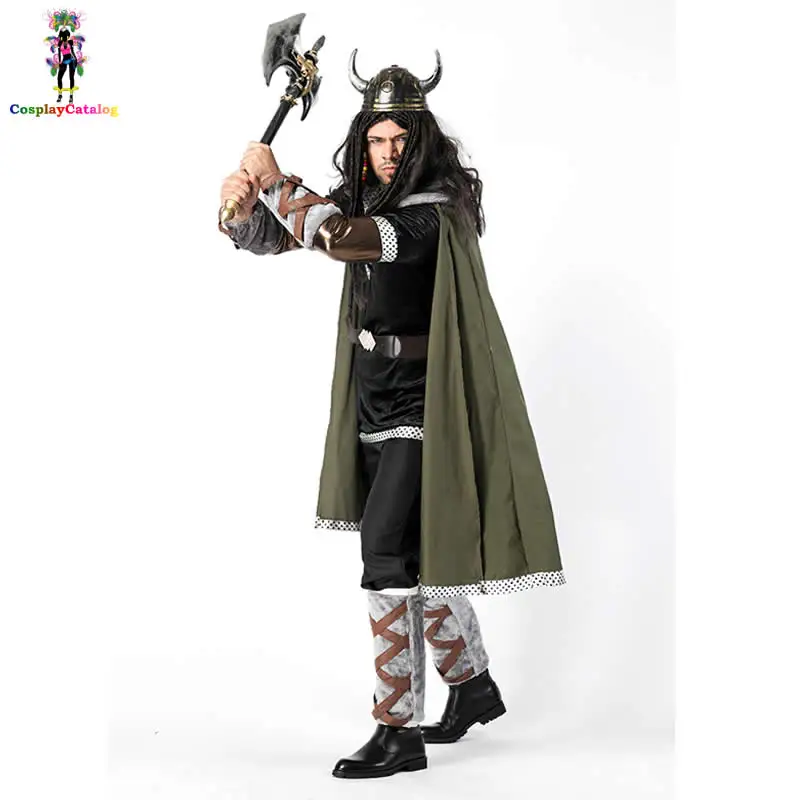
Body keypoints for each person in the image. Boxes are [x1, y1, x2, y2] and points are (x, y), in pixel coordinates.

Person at [218, 50, 566, 780]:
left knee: (384, 557)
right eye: (375, 140)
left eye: (398, 141)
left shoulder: (433, 214)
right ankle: (472, 686)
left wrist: (277, 180)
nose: (385, 153)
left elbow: (339, 238)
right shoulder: (369, 202)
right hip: (373, 395)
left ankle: (397, 731)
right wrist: (244, 211)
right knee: (411, 552)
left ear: (421, 142)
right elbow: (288, 235)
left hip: (423, 402)